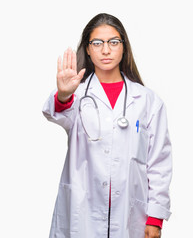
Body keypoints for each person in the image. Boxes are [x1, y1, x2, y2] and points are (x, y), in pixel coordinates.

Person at [43, 13, 172, 238]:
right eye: (97, 43)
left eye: (113, 42)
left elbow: (159, 162)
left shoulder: (147, 101)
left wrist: (155, 217)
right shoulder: (77, 95)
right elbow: (56, 113)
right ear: (88, 49)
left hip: (132, 214)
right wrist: (63, 95)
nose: (105, 50)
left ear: (124, 47)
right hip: (82, 212)